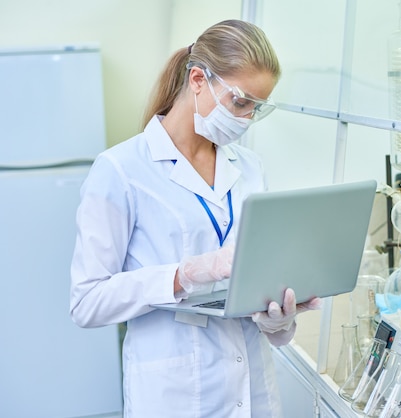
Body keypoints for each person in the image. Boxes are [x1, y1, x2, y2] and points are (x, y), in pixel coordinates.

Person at [70, 19, 320, 417]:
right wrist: (183, 275)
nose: (247, 118)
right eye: (241, 102)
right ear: (199, 79)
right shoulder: (120, 170)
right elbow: (87, 302)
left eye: (258, 108)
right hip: (176, 395)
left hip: (252, 390)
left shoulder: (250, 168)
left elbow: (260, 290)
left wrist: (278, 321)